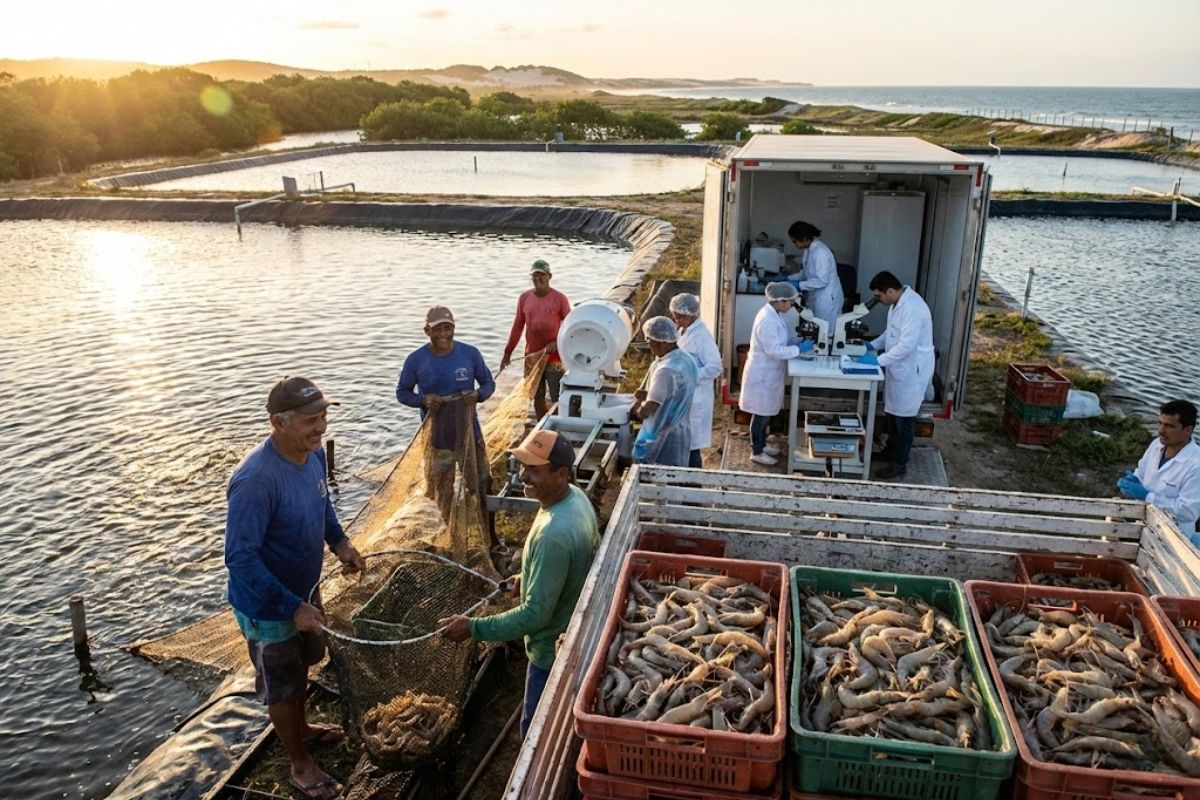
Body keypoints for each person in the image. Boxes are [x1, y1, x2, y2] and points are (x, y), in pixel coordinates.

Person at [225, 376, 366, 800]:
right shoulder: (255, 480)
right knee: (282, 685)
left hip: (304, 590)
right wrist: (292, 608)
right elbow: (240, 559)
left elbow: (323, 505)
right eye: (310, 420)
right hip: (268, 607)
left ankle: (303, 728)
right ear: (278, 422)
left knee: (306, 662)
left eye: (323, 416)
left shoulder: (315, 455)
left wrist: (339, 543)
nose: (320, 427)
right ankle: (299, 764)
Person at [438, 429, 598, 738]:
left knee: (536, 734)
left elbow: (533, 616)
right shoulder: (574, 499)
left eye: (534, 470)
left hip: (551, 653)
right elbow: (569, 566)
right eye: (523, 466)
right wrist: (528, 577)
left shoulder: (554, 533)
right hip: (573, 630)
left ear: (561, 473)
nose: (523, 476)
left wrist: (472, 628)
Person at [396, 306, 496, 536]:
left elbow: (488, 383)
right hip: (438, 439)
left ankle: (490, 536)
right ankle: (453, 535)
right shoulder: (416, 360)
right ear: (427, 331)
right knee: (443, 490)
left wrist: (478, 395)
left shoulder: (470, 354)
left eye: (448, 328)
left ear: (454, 329)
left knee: (481, 485)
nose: (443, 333)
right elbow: (402, 393)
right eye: (437, 329)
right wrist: (423, 400)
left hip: (470, 436)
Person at [859, 270, 934, 480]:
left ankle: (899, 463)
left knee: (904, 420)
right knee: (892, 415)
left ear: (890, 291)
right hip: (899, 368)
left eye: (879, 296)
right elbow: (890, 333)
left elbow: (906, 346)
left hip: (912, 369)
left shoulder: (913, 308)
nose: (878, 300)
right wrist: (871, 345)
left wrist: (877, 360)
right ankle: (890, 452)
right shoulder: (896, 303)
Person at [740, 282, 811, 466]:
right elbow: (773, 350)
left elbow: (782, 340)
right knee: (760, 414)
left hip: (769, 373)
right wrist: (798, 349)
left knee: (765, 413)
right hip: (762, 373)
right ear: (780, 301)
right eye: (790, 303)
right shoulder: (767, 320)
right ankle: (756, 451)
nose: (791, 306)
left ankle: (762, 445)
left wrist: (797, 341)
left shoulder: (775, 315)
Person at [500, 259, 573, 420]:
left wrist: (557, 342)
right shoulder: (524, 298)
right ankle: (541, 425)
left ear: (549, 277)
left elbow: (570, 326)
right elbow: (518, 326)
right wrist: (507, 353)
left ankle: (559, 425)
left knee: (557, 394)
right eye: (535, 276)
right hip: (532, 355)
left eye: (542, 276)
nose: (538, 280)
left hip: (554, 357)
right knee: (536, 395)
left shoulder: (559, 299)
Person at [1118, 399, 1200, 539]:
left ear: (1187, 430)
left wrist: (1147, 496)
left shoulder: (1196, 465)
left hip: (1172, 534)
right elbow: (1142, 472)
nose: (1161, 431)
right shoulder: (1157, 445)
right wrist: (1132, 480)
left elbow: (1188, 511)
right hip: (1142, 519)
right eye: (1160, 423)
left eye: (1169, 426)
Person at [631, 316, 700, 467]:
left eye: (649, 340)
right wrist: (647, 393)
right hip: (680, 431)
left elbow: (649, 409)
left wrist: (635, 412)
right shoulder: (686, 359)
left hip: (661, 438)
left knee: (658, 480)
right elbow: (674, 393)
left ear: (660, 341)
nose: (648, 344)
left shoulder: (666, 370)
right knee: (676, 478)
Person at [669, 293, 722, 468]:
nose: (676, 321)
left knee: (691, 447)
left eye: (680, 317)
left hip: (696, 396)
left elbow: (715, 367)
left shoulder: (702, 336)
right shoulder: (683, 330)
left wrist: (691, 375)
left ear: (692, 314)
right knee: (682, 442)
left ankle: (694, 483)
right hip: (684, 396)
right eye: (674, 317)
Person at [784, 220, 844, 348]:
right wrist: (787, 278)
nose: (794, 244)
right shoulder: (808, 250)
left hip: (828, 299)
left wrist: (798, 285)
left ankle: (825, 363)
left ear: (804, 238)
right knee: (817, 331)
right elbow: (804, 274)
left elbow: (822, 281)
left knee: (826, 334)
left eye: (795, 241)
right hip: (817, 297)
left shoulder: (821, 252)